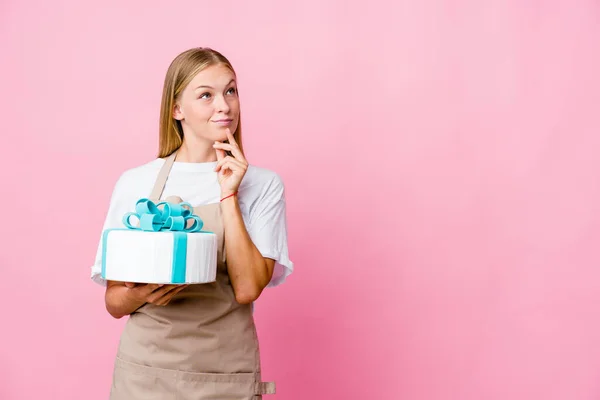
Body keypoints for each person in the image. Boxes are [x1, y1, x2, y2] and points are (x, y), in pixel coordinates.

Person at [90, 47, 293, 399]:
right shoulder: (136, 182)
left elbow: (247, 290)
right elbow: (113, 301)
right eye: (206, 95)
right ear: (177, 109)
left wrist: (229, 194)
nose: (224, 106)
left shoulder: (263, 185)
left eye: (231, 91)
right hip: (146, 373)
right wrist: (140, 295)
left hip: (224, 374)